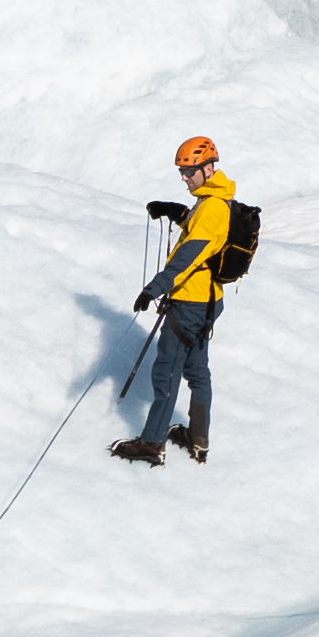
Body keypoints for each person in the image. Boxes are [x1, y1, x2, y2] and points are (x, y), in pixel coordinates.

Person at [115, 137, 236, 465]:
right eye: (182, 171)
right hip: (207, 302)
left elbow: (188, 256)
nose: (184, 177)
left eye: (189, 171)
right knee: (197, 371)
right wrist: (174, 211)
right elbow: (199, 231)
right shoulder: (214, 199)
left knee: (166, 371)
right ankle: (198, 438)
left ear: (209, 168)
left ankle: (152, 443)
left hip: (189, 305)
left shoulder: (212, 207)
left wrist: (154, 288)